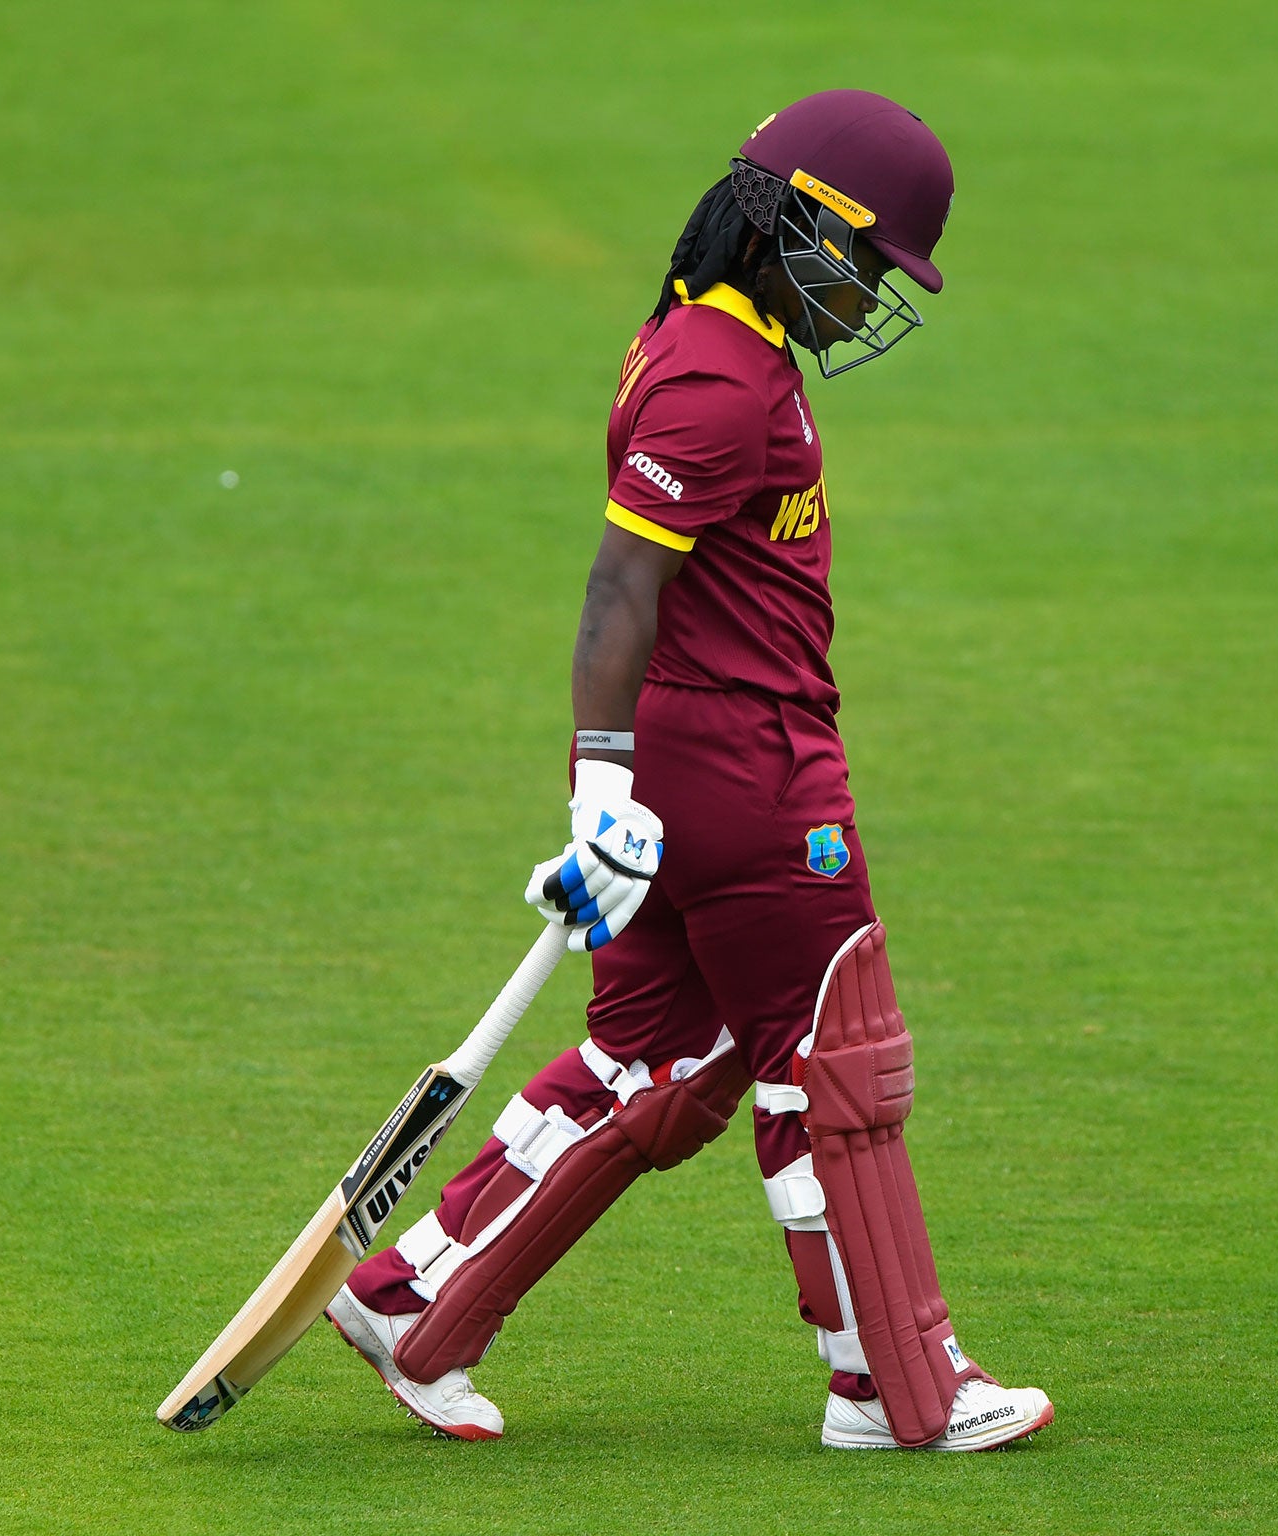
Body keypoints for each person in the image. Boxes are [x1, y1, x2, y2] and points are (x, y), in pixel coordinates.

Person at [326, 89, 1053, 1452]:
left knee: (661, 1056)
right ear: (798, 223)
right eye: (873, 259)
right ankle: (897, 1390)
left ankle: (413, 1301)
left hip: (700, 758)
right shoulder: (719, 377)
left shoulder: (717, 337)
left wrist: (621, 782)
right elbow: (617, 592)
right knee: (832, 1065)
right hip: (749, 769)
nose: (878, 292)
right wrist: (601, 783)